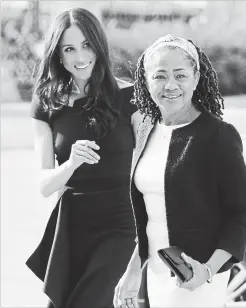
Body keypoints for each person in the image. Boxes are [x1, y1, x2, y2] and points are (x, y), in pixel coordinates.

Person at [114, 34, 246, 308]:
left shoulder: (218, 136)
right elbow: (150, 215)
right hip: (158, 272)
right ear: (145, 80)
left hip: (199, 274)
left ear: (196, 78)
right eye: (160, 76)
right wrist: (134, 269)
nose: (170, 85)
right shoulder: (146, 130)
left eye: (180, 75)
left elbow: (243, 212)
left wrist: (207, 271)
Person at [25, 8, 139, 308]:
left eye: (87, 44)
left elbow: (149, 169)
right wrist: (71, 163)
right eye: (69, 48)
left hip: (121, 225)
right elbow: (45, 185)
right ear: (58, 55)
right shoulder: (47, 103)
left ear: (99, 46)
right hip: (72, 227)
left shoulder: (132, 98)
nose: (80, 56)